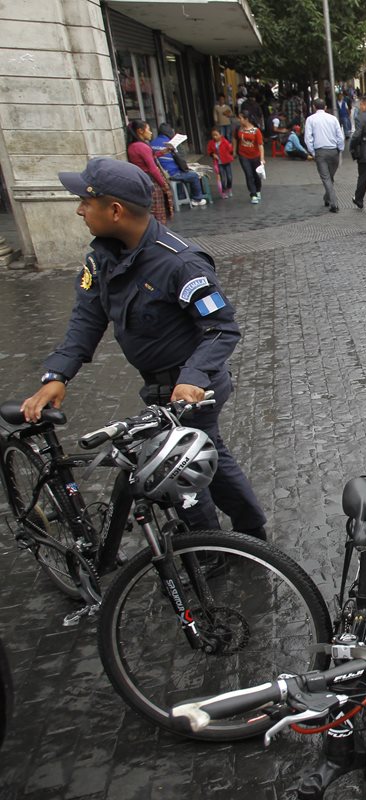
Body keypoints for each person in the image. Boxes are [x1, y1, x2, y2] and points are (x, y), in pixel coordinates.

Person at [21, 158, 267, 540]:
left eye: (86, 202)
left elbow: (220, 328)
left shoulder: (181, 263)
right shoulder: (101, 258)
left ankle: (206, 549)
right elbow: (87, 319)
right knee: (206, 454)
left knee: (177, 468)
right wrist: (58, 374)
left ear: (114, 210)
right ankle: (250, 528)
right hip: (157, 386)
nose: (79, 209)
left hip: (194, 388)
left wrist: (192, 378)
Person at [126, 120, 173, 223]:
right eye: (148, 130)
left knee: (151, 212)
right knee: (157, 212)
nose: (151, 133)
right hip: (151, 181)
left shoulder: (133, 146)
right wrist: (164, 185)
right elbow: (152, 168)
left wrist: (162, 152)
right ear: (140, 131)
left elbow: (149, 158)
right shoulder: (142, 146)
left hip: (143, 180)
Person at [149, 124, 207, 207]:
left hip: (162, 173)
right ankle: (197, 199)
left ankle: (180, 196)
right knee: (194, 176)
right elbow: (179, 160)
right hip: (172, 173)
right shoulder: (170, 143)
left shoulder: (152, 143)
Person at [305, 99, 345, 213]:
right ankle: (327, 198)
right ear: (325, 107)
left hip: (320, 151)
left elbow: (308, 138)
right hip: (334, 151)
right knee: (330, 177)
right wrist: (340, 149)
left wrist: (313, 152)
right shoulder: (333, 119)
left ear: (314, 107)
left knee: (326, 178)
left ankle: (333, 203)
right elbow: (340, 135)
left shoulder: (310, 119)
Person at [234, 112, 263, 205]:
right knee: (248, 174)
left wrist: (262, 158)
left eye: (240, 118)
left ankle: (258, 190)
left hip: (255, 156)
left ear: (246, 119)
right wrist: (234, 151)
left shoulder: (256, 131)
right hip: (243, 155)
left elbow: (260, 145)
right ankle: (253, 194)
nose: (239, 120)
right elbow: (234, 139)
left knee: (256, 175)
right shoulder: (238, 129)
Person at [206, 128, 236, 199]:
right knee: (222, 178)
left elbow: (230, 150)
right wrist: (213, 154)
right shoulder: (211, 143)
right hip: (219, 163)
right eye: (213, 135)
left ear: (220, 135)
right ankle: (223, 191)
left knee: (229, 177)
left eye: (216, 135)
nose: (214, 137)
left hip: (226, 161)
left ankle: (229, 188)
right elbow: (209, 151)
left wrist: (231, 149)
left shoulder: (225, 141)